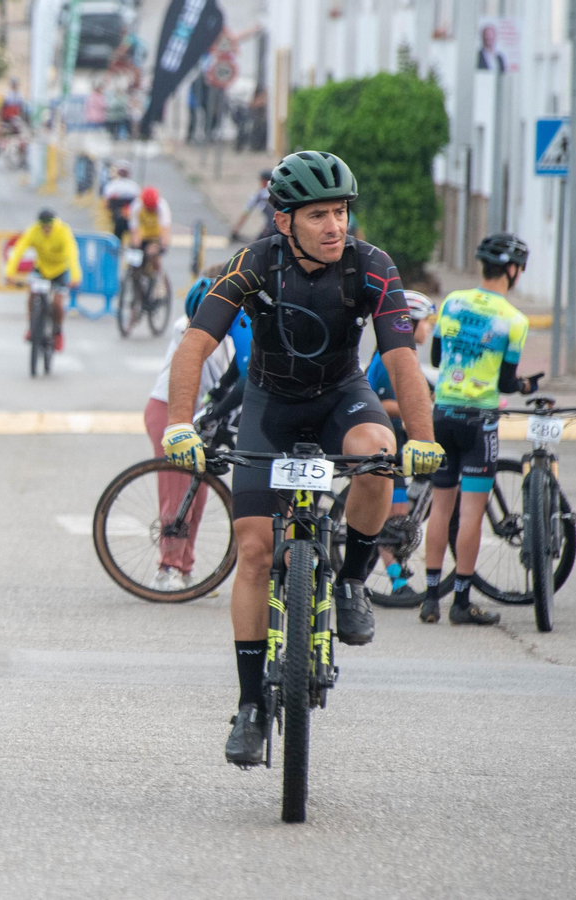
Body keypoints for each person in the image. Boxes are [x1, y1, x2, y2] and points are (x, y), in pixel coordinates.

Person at [161, 151, 444, 768]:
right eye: (319, 215)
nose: (335, 226)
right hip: (271, 407)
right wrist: (180, 423)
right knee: (255, 549)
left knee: (379, 456)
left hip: (342, 397)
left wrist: (421, 435)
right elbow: (195, 344)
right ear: (285, 220)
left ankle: (352, 581)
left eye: (341, 212)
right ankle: (250, 707)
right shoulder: (254, 263)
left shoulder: (372, 267)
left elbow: (400, 358)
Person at [420, 233, 538, 627]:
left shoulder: (452, 302)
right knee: (470, 513)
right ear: (511, 270)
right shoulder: (514, 321)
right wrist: (525, 386)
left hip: (442, 413)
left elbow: (437, 356)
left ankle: (430, 599)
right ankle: (460, 602)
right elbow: (506, 382)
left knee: (441, 508)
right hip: (479, 421)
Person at [146, 270, 236, 590]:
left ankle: (185, 568)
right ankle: (167, 567)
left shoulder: (234, 331)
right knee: (178, 492)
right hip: (168, 411)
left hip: (204, 418)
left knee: (198, 496)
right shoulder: (189, 327)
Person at [365, 290, 437, 596]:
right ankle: (397, 581)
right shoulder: (388, 359)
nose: (429, 328)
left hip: (395, 440)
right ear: (410, 323)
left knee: (397, 511)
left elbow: (424, 388)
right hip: (383, 442)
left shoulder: (406, 354)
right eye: (426, 322)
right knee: (394, 517)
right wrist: (419, 410)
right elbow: (382, 404)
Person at [4, 208, 81, 353]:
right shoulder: (34, 231)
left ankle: (58, 332)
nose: (46, 229)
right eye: (43, 226)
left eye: (49, 226)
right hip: (41, 269)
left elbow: (72, 254)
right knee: (32, 294)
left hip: (59, 270)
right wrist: (9, 273)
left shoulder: (63, 232)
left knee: (57, 303)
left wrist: (75, 276)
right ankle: (31, 326)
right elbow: (19, 250)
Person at [129, 185, 172, 268]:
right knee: (134, 257)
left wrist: (163, 245)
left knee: (152, 253)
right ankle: (133, 270)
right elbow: (134, 228)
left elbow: (165, 229)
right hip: (142, 236)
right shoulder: (136, 206)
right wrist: (136, 246)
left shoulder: (162, 206)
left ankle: (156, 272)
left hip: (155, 237)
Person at [230, 170, 276, 243]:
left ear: (264, 181)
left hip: (270, 227)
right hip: (282, 227)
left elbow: (245, 213)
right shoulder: (278, 193)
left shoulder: (258, 195)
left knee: (258, 244)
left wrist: (235, 231)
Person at [101, 162, 140, 245]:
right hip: (127, 216)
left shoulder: (111, 185)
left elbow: (106, 204)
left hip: (122, 216)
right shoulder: (134, 186)